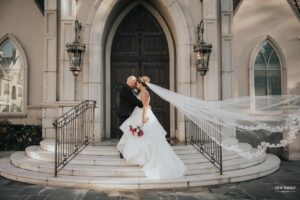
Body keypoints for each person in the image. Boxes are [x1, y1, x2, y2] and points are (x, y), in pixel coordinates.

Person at [117, 76, 187, 179]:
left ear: (141, 84)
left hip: (142, 115)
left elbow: (144, 106)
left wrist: (144, 118)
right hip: (138, 114)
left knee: (145, 137)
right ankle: (141, 159)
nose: (136, 85)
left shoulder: (144, 93)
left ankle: (146, 159)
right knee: (140, 137)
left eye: (137, 83)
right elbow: (142, 104)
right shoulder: (140, 92)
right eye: (135, 83)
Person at [118, 75, 143, 158]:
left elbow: (134, 99)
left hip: (128, 114)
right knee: (124, 133)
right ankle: (122, 152)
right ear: (131, 81)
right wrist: (143, 104)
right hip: (124, 114)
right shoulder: (125, 89)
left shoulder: (130, 89)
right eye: (134, 82)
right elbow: (134, 100)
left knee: (128, 133)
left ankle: (125, 150)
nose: (135, 84)